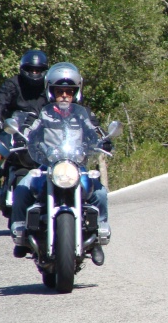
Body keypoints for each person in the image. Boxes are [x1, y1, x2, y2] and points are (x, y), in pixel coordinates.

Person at [10, 62, 112, 266]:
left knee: (99, 192)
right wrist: (21, 137)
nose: (65, 95)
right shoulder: (42, 114)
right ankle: (21, 233)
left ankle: (98, 237)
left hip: (76, 166)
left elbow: (96, 130)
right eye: (60, 91)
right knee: (21, 188)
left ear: (76, 93)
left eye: (69, 91)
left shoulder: (83, 114)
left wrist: (105, 139)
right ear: (51, 91)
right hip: (47, 166)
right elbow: (29, 129)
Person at [0, 49, 49, 198]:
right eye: (30, 69)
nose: (34, 73)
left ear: (45, 70)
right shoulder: (12, 84)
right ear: (23, 69)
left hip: (41, 135)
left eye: (38, 70)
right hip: (12, 132)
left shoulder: (49, 87)